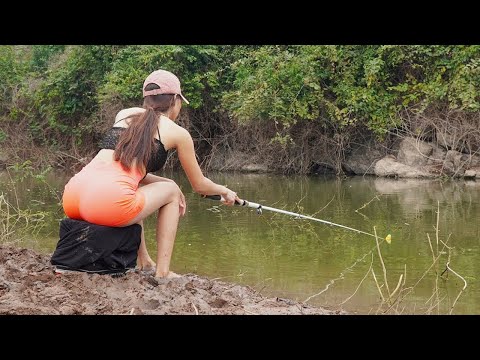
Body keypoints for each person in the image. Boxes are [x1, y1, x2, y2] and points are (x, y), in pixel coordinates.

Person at [62, 69, 241, 279]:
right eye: (180, 101)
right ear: (175, 99)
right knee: (172, 191)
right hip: (108, 205)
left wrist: (164, 182)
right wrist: (225, 191)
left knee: (138, 185)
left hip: (72, 198)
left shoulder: (124, 115)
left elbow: (127, 171)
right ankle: (162, 273)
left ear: (147, 99)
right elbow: (200, 185)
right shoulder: (178, 133)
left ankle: (145, 262)